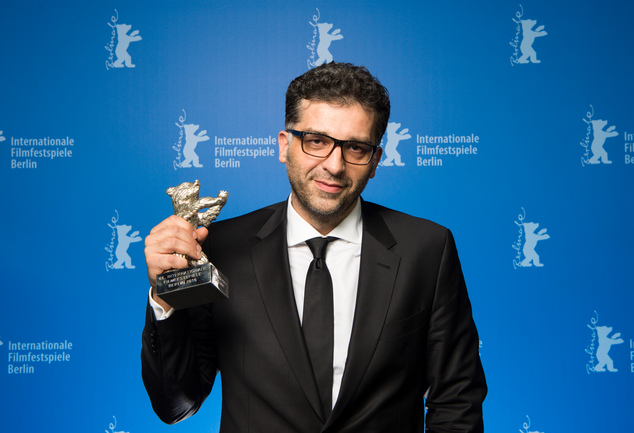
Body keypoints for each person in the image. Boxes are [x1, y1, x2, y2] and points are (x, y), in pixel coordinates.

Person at [141, 62, 486, 432]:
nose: (334, 165)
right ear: (284, 146)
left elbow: (457, 402)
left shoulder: (427, 250)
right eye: (316, 141)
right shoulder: (220, 249)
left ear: (375, 162)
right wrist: (166, 299)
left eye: (355, 148)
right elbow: (175, 403)